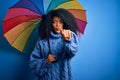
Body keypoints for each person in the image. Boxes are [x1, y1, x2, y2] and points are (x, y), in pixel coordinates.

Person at [29, 8, 79, 80]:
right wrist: (46, 61)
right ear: (50, 23)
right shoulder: (42, 40)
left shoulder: (69, 35)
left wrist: (68, 41)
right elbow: (33, 63)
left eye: (61, 22)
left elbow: (73, 52)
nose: (57, 25)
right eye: (54, 22)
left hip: (63, 77)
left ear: (65, 22)